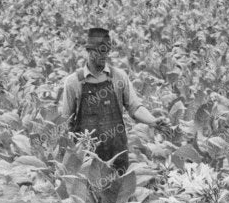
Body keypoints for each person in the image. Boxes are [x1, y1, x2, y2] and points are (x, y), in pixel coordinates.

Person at [54, 25, 157, 175]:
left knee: (118, 197)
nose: (104, 56)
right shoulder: (73, 82)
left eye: (107, 51)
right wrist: (63, 158)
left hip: (117, 156)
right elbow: (66, 123)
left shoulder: (119, 77)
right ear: (88, 51)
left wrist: (153, 122)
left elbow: (135, 108)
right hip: (86, 160)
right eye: (100, 51)